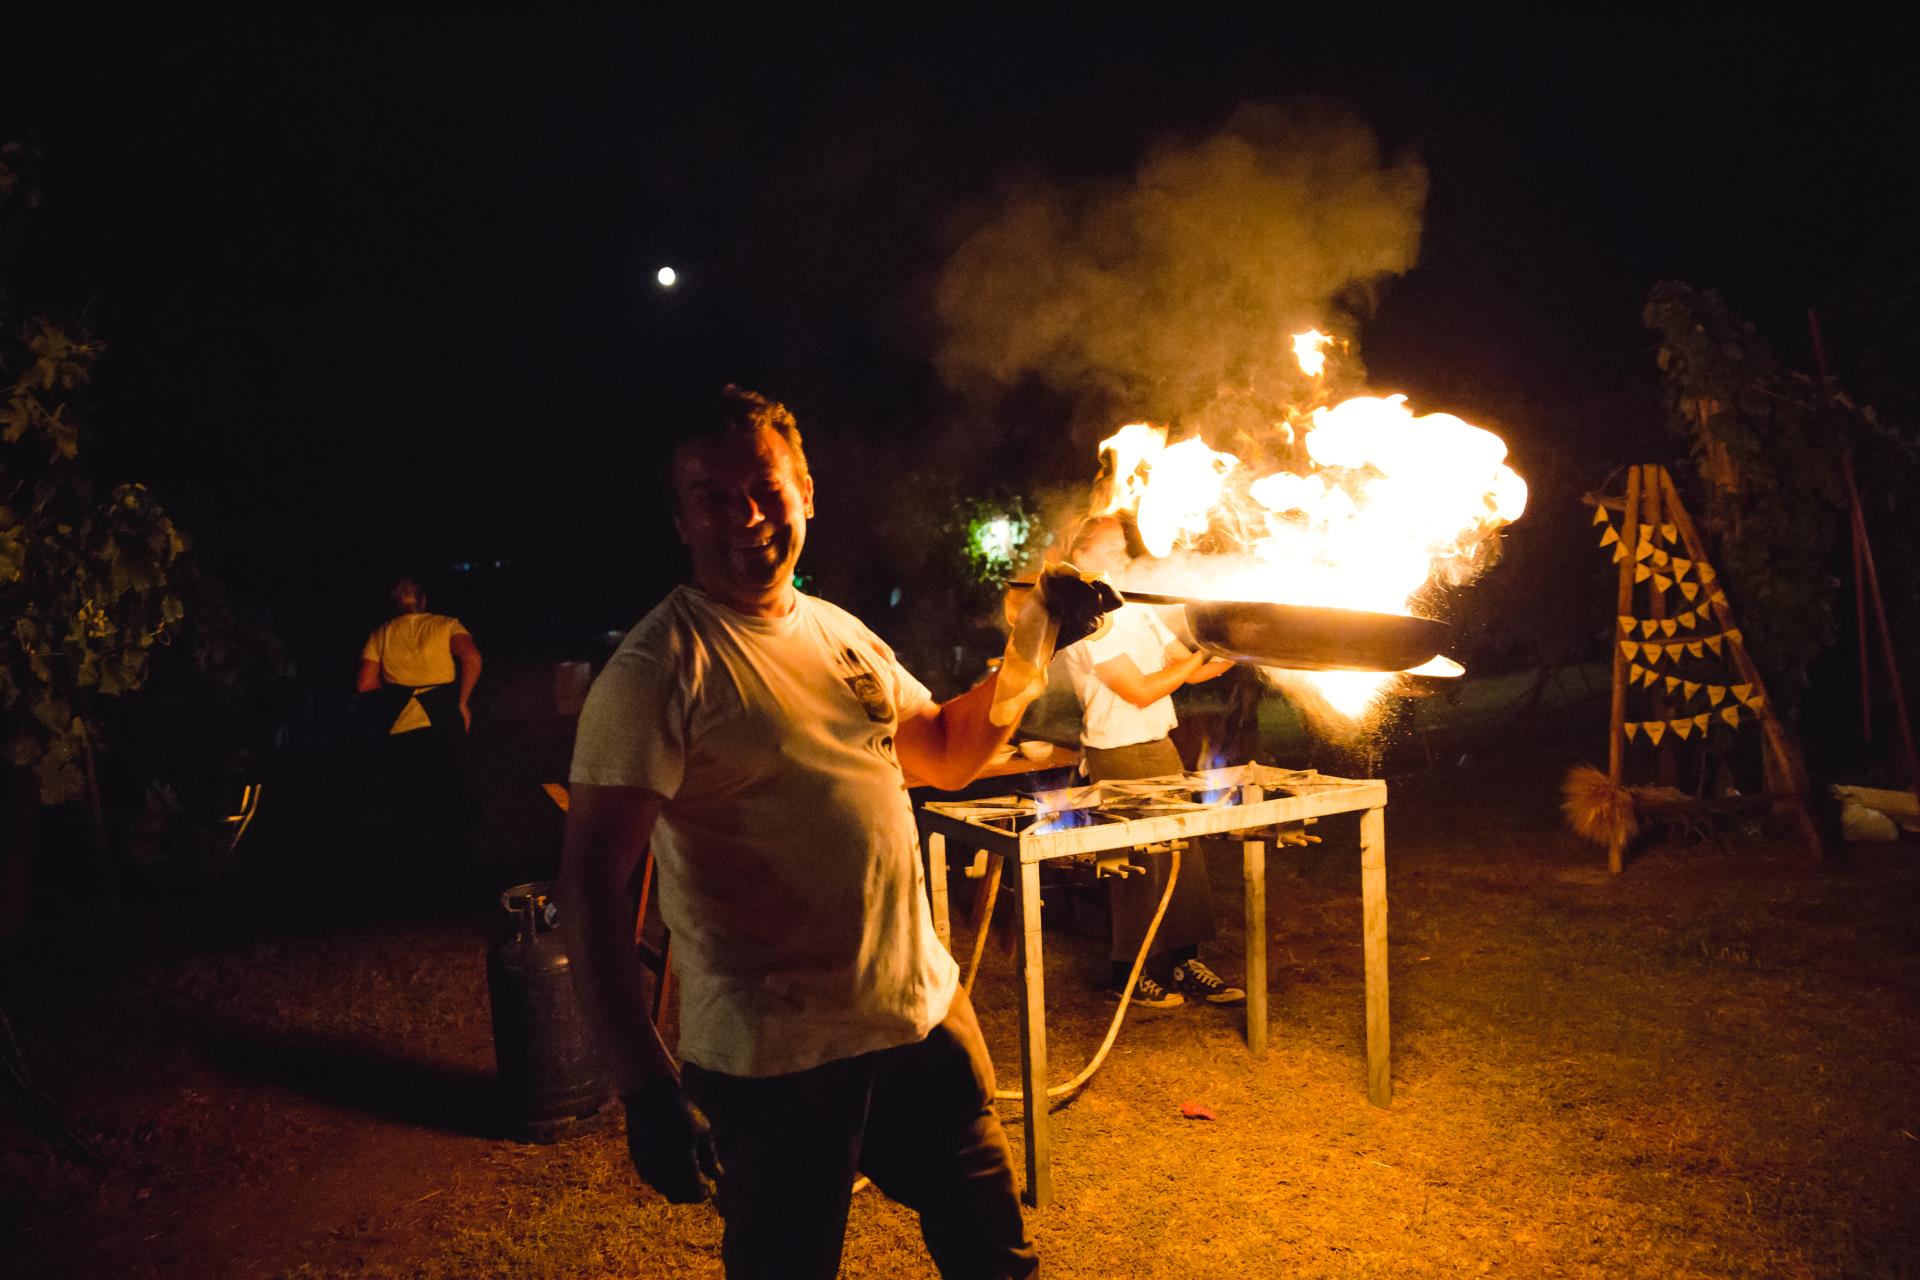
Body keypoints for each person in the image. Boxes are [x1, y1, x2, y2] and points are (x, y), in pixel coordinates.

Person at [560, 388, 1093, 1280]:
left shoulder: (842, 632)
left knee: (996, 1258)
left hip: (920, 1019)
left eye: (766, 487)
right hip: (779, 1058)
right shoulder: (659, 668)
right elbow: (591, 888)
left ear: (807, 490)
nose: (747, 515)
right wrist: (644, 1088)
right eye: (712, 497)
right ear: (681, 520)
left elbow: (947, 754)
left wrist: (1032, 650)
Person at [1057, 516, 1246, 1010]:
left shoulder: (1136, 608)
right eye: (1110, 551)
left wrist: (1243, 645)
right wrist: (1191, 662)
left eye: (1124, 550)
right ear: (1079, 556)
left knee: (1183, 852)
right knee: (1141, 862)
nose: (1123, 560)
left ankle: (1184, 960)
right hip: (1116, 750)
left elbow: (1191, 669)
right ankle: (1131, 970)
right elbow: (1140, 689)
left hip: (1157, 742)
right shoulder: (1085, 623)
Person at [356, 576, 482, 880]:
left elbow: (365, 683)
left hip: (401, 723)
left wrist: (398, 688)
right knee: (452, 790)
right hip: (443, 719)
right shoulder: (446, 624)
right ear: (423, 601)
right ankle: (456, 868)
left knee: (408, 795)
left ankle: (411, 875)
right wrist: (462, 702)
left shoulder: (381, 634)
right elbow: (472, 657)